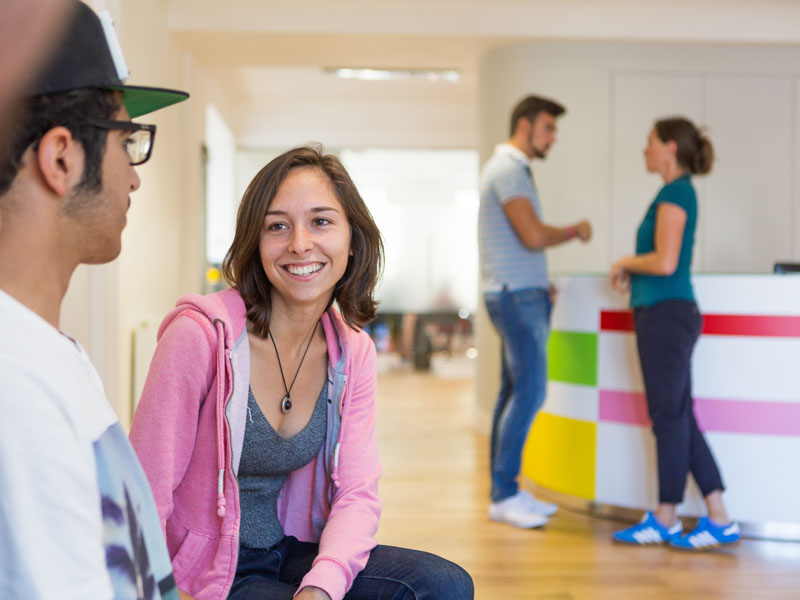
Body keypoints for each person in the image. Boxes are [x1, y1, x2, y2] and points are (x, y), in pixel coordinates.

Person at [129, 146, 475, 600]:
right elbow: (143, 491)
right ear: (256, 242)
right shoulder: (199, 337)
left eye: (321, 221)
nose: (299, 243)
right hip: (210, 573)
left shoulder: (352, 353)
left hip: (289, 552)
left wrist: (322, 587)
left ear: (353, 240)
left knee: (444, 585)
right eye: (277, 226)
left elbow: (357, 493)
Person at [0, 2, 189, 598]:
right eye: (126, 141)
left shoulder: (48, 353)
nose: (134, 177)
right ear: (62, 157)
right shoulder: (17, 391)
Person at [609, 117, 740, 550]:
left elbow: (665, 262)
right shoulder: (676, 193)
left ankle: (666, 517)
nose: (643, 150)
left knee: (669, 417)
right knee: (679, 415)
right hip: (666, 312)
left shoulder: (675, 192)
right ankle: (718, 516)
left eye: (649, 143)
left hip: (666, 315)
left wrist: (627, 261)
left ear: (669, 148)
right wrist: (635, 270)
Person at [478, 95, 592, 529]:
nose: (552, 138)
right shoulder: (508, 170)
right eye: (548, 128)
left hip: (518, 292)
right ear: (525, 125)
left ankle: (504, 491)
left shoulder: (509, 170)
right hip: (516, 296)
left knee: (513, 393)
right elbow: (531, 235)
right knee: (530, 392)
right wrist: (573, 231)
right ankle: (505, 494)